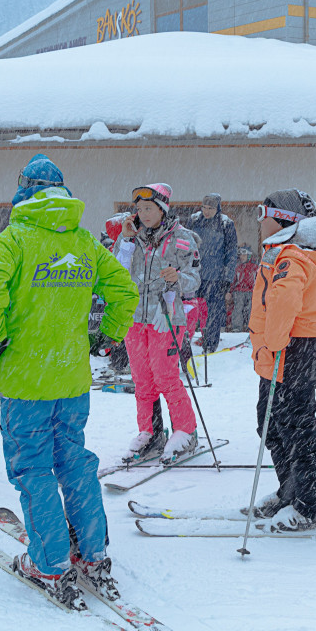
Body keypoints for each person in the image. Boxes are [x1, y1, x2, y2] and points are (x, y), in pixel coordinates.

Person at [0, 154, 138, 601]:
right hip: (71, 380)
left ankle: (50, 563)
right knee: (74, 462)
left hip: (26, 382)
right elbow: (124, 288)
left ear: (25, 189)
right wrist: (110, 333)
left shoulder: (15, 239)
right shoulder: (84, 242)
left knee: (33, 469)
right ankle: (93, 552)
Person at [247, 188, 316, 529]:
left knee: (298, 428)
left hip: (294, 348)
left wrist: (271, 344)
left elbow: (284, 304)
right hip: (285, 348)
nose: (260, 221)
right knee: (271, 422)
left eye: (264, 213)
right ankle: (292, 490)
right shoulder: (283, 251)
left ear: (284, 220)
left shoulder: (291, 256)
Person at [115, 183, 202, 463]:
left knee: (166, 377)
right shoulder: (131, 236)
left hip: (166, 317)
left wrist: (177, 278)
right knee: (142, 380)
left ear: (162, 208)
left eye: (149, 208)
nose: (143, 214)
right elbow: (116, 271)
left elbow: (195, 279)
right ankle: (149, 432)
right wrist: (126, 240)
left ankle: (185, 431)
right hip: (135, 319)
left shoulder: (182, 238)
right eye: (139, 209)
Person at [185, 193, 238, 353]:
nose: (206, 211)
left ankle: (210, 343)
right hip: (195, 274)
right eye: (204, 207)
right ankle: (186, 341)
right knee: (191, 309)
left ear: (218, 208)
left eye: (210, 208)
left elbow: (231, 252)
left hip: (216, 277)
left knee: (214, 312)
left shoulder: (225, 223)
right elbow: (185, 246)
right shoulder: (194, 220)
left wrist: (227, 279)